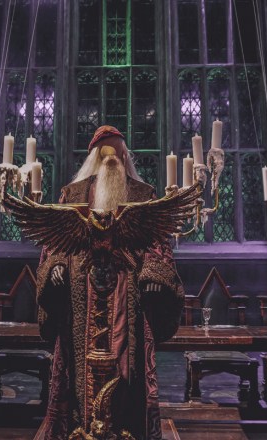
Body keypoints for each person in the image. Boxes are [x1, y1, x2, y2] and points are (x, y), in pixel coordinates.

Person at [37, 126, 185, 439]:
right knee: (77, 373)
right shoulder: (72, 195)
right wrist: (56, 267)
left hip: (127, 298)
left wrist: (153, 273)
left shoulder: (143, 196)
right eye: (106, 153)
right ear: (95, 157)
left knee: (127, 366)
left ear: (125, 156)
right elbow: (54, 246)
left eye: (118, 153)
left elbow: (158, 244)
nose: (112, 159)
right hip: (80, 298)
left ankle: (125, 428)